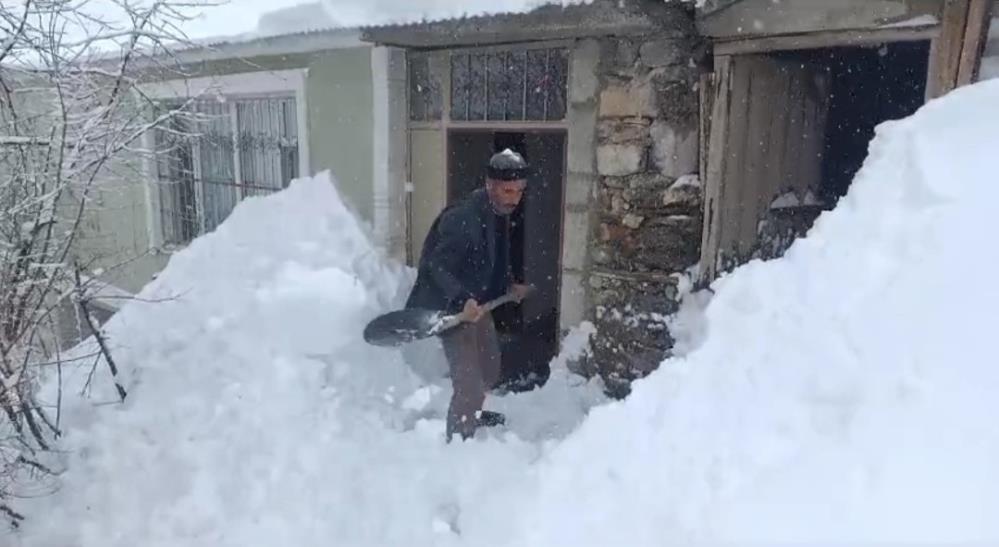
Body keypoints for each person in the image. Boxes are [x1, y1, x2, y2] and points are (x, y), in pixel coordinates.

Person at [405, 148, 532, 442]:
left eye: (519, 191)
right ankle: (460, 438)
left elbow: (492, 258)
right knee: (470, 384)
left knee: (489, 369)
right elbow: (436, 266)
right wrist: (462, 299)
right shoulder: (463, 217)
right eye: (508, 190)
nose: (514, 198)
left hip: (477, 304)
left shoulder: (497, 212)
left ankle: (472, 412)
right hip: (451, 309)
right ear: (490, 185)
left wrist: (509, 285)